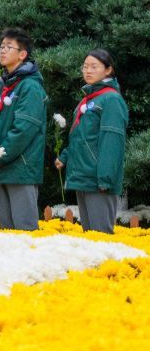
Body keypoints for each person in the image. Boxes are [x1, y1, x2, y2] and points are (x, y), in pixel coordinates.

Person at [0, 27, 47, 230]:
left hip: (21, 168)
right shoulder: (1, 86)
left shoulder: (30, 87)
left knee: (24, 232)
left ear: (22, 54)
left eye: (9, 47)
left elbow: (24, 130)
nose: (2, 50)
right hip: (0, 168)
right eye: (1, 46)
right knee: (6, 232)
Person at [55, 49, 128, 233]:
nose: (88, 71)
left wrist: (105, 179)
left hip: (99, 180)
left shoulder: (111, 99)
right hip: (83, 176)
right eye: (85, 66)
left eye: (94, 67)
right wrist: (65, 156)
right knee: (90, 238)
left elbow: (112, 142)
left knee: (101, 236)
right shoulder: (86, 100)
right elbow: (80, 136)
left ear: (108, 70)